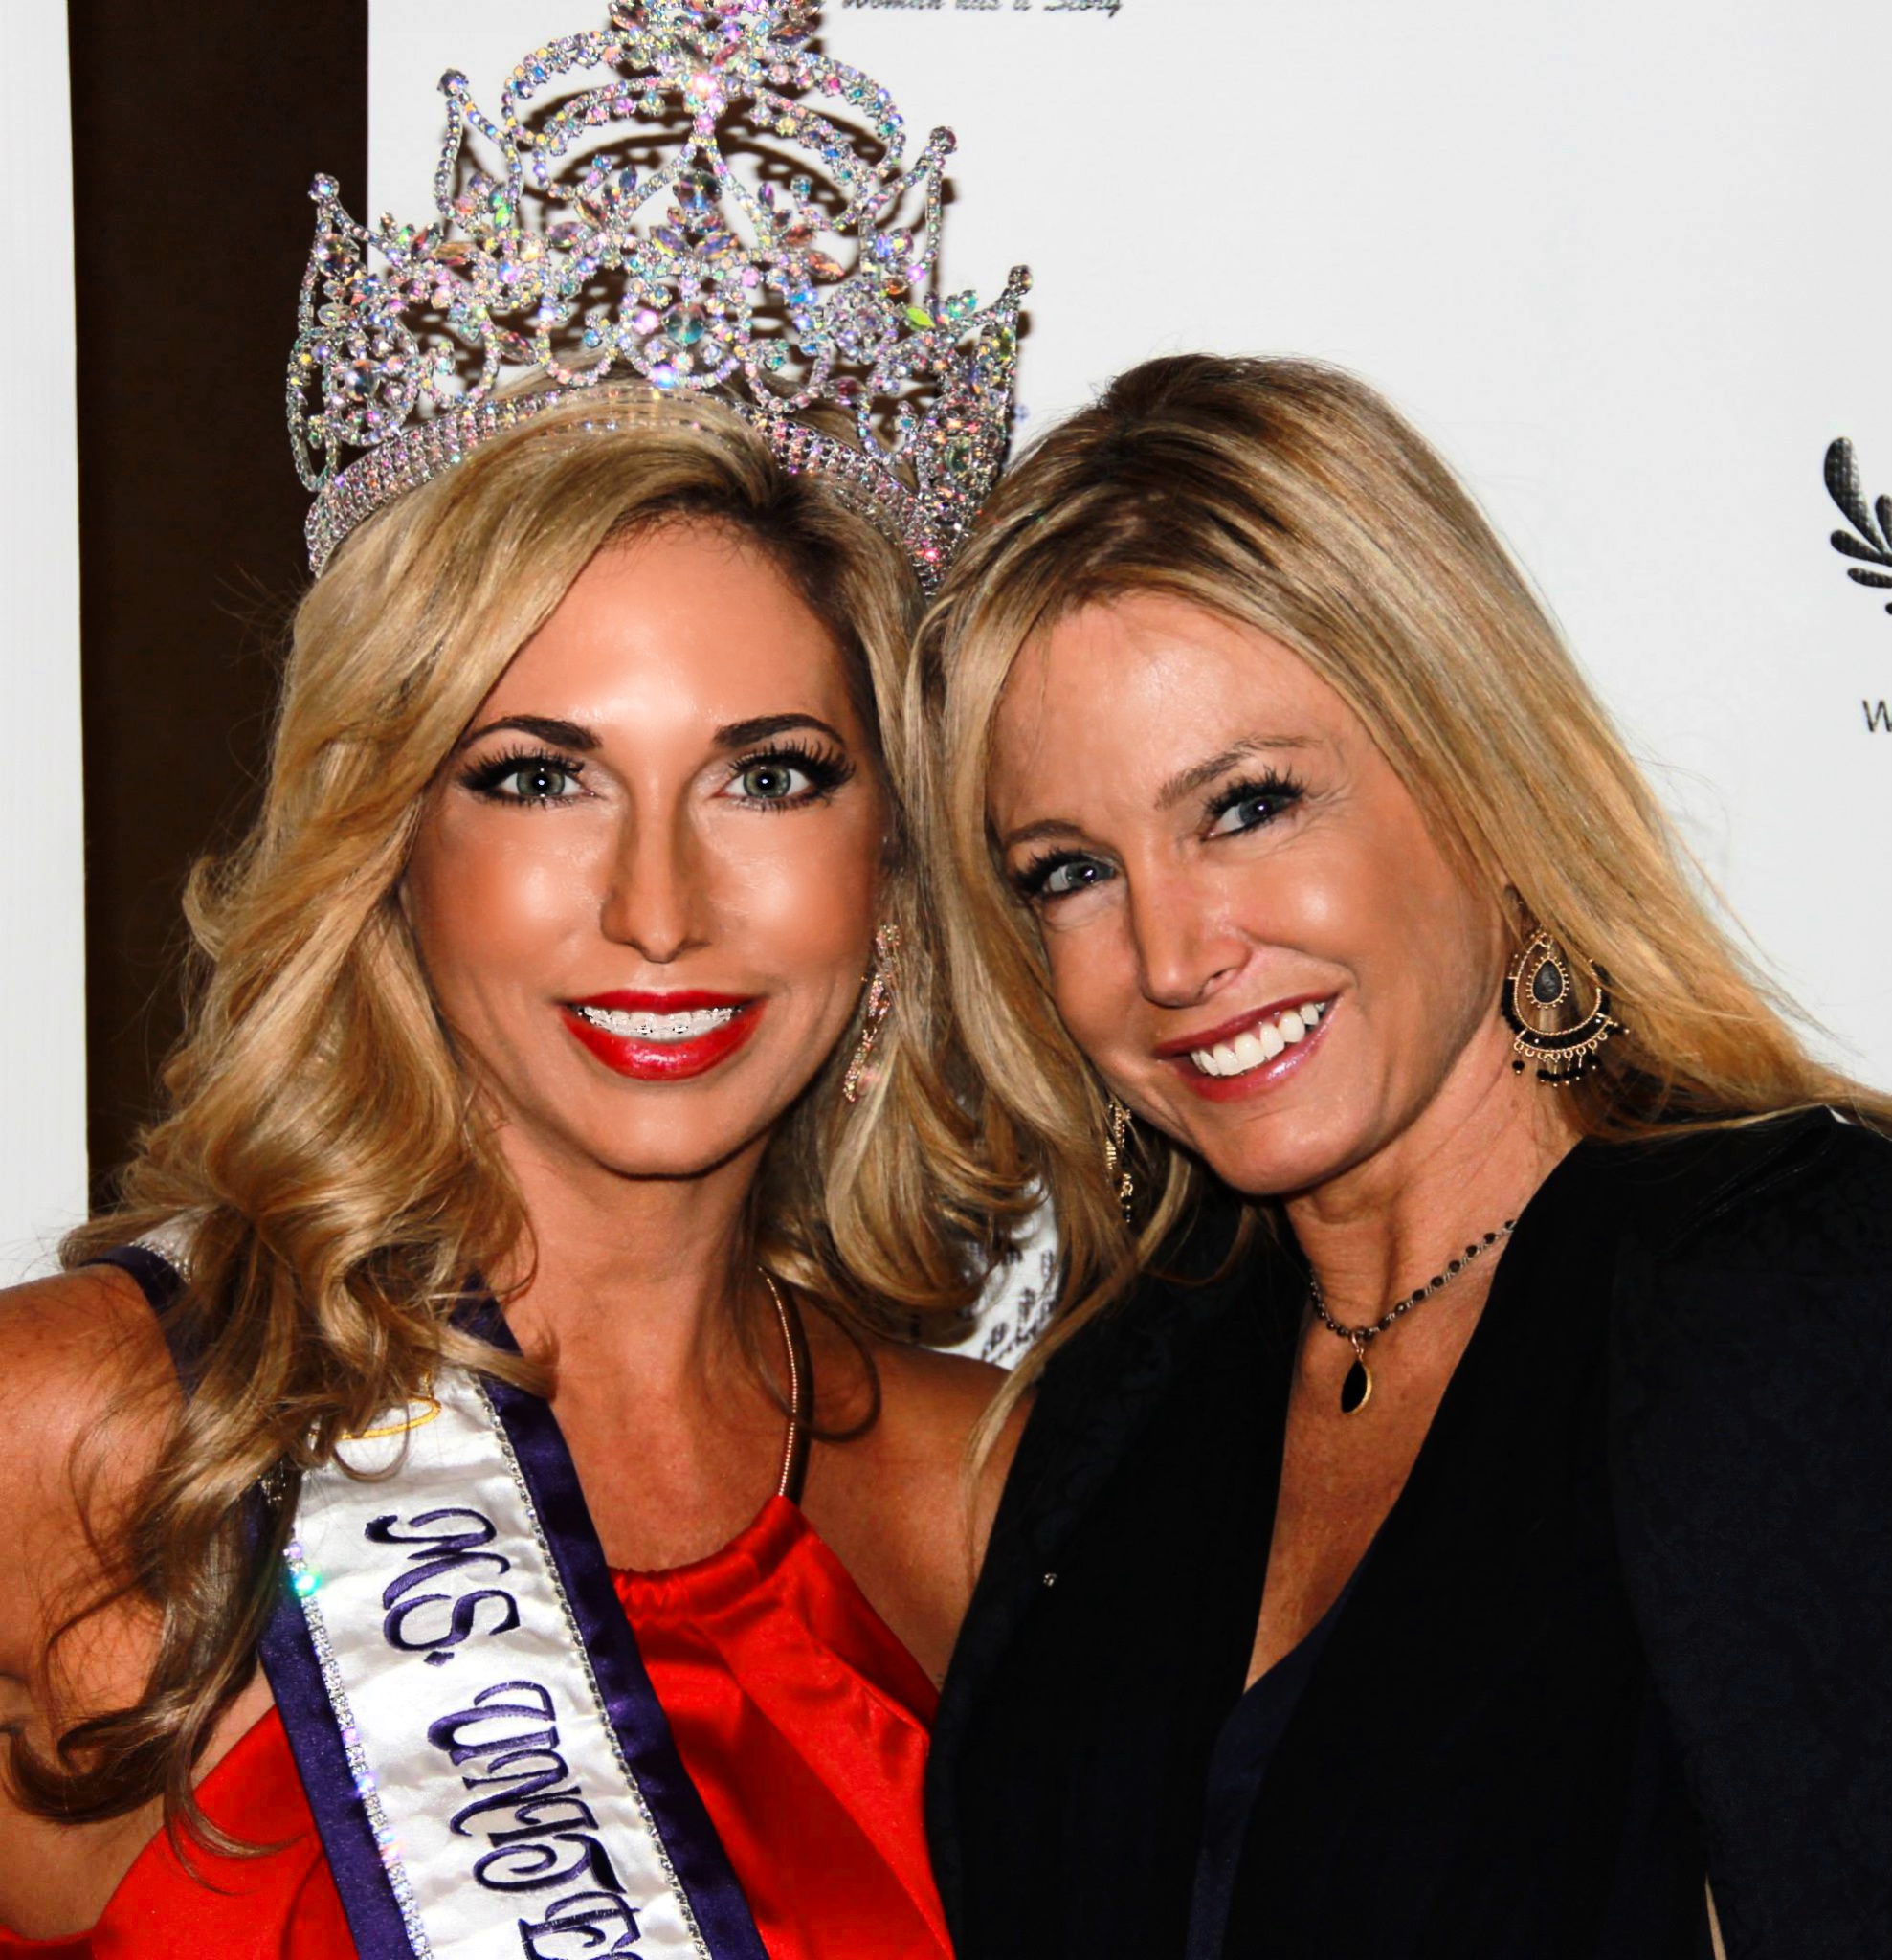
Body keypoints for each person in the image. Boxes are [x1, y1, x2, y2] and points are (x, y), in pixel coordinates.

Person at [0, 4, 1033, 1952]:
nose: (658, 903)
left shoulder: (991, 1496)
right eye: (539, 773)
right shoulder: (78, 1431)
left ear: (891, 864)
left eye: (769, 773)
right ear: (392, 840)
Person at [917, 353, 1892, 1959]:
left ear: (1474, 768)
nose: (1168, 954)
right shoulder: (1116, 1407)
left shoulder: (1799, 1293)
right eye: (1070, 870)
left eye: (1245, 807)